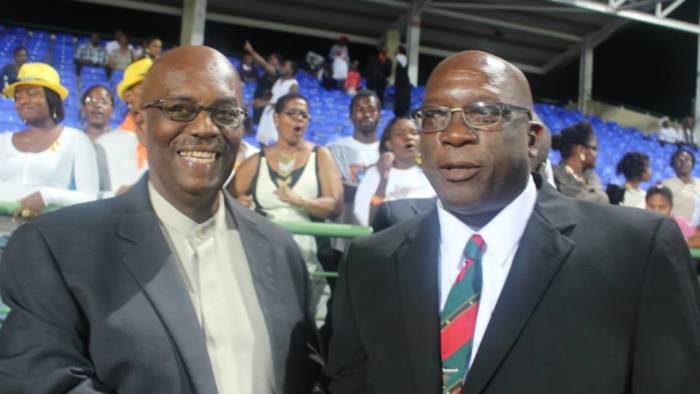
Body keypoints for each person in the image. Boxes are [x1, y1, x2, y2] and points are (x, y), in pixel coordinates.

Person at [327, 50, 700, 394]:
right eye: (435, 116)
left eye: (485, 113)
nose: (453, 134)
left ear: (532, 140)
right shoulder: (369, 262)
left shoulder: (637, 252)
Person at [0, 45, 320, 393]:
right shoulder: (58, 249)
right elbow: (43, 384)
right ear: (140, 123)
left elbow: (309, 378)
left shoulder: (279, 249)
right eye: (180, 109)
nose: (205, 128)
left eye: (225, 113)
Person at [231, 92, 343, 310]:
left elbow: (335, 206)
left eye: (304, 115)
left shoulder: (320, 155)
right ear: (276, 118)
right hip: (265, 262)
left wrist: (299, 200)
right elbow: (224, 198)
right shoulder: (257, 160)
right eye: (292, 113)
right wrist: (238, 202)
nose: (299, 119)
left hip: (310, 263)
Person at [0, 62, 98, 217]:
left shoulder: (76, 139)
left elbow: (90, 198)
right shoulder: (2, 140)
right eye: (18, 96)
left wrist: (47, 196)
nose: (24, 100)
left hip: (43, 233)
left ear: (51, 98)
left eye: (32, 93)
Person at [353, 117, 434, 226]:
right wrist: (383, 180)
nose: (408, 137)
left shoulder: (433, 172)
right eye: (400, 134)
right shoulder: (374, 174)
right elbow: (368, 219)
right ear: (389, 144)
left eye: (414, 133)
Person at [96, 58, 152, 195]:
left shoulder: (173, 144)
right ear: (128, 96)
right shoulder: (104, 144)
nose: (157, 94)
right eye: (149, 86)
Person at [327, 89, 382, 184]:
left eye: (372, 110)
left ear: (380, 115)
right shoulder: (334, 149)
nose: (367, 115)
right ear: (350, 115)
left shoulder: (391, 151)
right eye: (360, 110)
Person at [551, 120, 609, 203]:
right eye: (594, 149)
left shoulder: (593, 179)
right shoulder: (552, 176)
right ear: (581, 150)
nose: (596, 154)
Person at [256, 59, 299, 145]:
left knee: (271, 143)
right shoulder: (279, 80)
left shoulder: (293, 85)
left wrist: (266, 103)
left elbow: (289, 104)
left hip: (278, 115)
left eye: (285, 66)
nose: (282, 67)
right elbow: (272, 96)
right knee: (262, 141)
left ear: (291, 70)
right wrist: (262, 100)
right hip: (268, 112)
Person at [661, 148, 700, 224]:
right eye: (679, 160)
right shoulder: (665, 185)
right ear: (673, 165)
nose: (683, 162)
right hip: (675, 231)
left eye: (687, 160)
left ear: (693, 164)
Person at [393, 46, 411, 117]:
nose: (396, 51)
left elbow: (396, 55)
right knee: (399, 102)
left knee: (402, 102)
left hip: (403, 85)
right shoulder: (402, 59)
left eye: (398, 50)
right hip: (400, 85)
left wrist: (397, 53)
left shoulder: (403, 58)